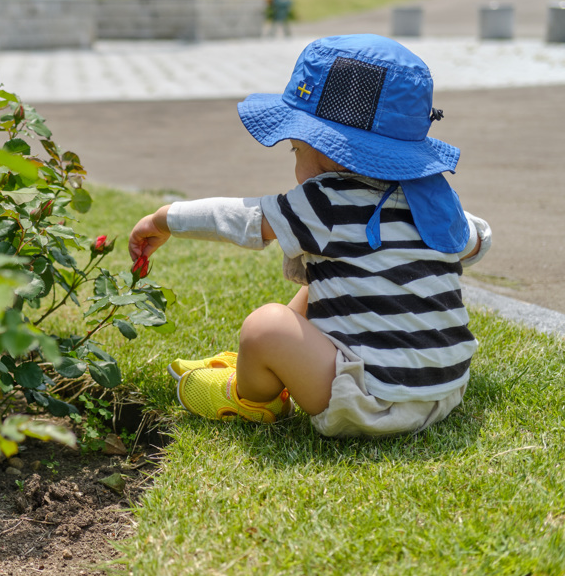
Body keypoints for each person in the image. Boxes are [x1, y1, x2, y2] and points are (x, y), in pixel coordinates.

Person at [128, 34, 492, 437]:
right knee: (320, 281)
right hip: (445, 390)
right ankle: (261, 362)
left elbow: (241, 218)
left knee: (266, 326)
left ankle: (250, 396)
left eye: (296, 149)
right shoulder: (437, 202)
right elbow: (476, 242)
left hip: (372, 401)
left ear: (326, 153)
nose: (296, 162)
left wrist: (164, 219)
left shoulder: (326, 200)